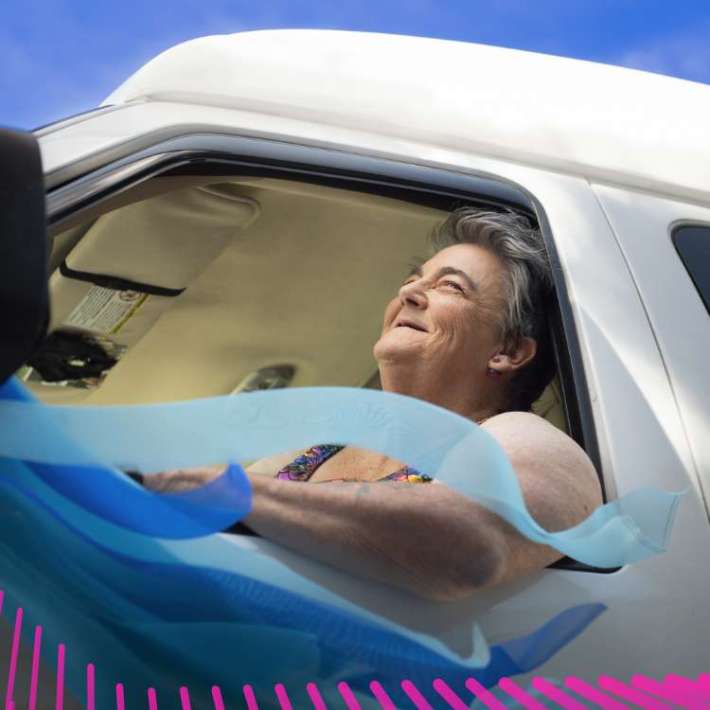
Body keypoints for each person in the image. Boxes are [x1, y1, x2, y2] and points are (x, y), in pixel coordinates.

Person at [142, 208, 603, 601]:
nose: (408, 293)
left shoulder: (526, 438)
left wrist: (214, 486)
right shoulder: (316, 449)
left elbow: (469, 549)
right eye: (411, 279)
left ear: (508, 352)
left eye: (451, 287)